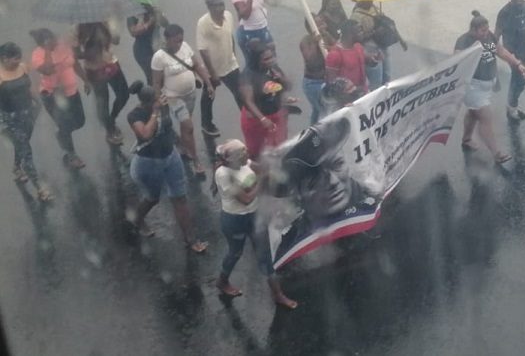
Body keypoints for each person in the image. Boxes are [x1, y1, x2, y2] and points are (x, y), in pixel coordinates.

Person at [270, 117, 379, 267]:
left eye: (337, 165)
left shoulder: (376, 202)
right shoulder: (292, 247)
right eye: (314, 181)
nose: (333, 182)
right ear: (298, 194)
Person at [213, 139, 297, 308]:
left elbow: (262, 169)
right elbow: (246, 199)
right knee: (235, 253)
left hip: (254, 216)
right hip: (235, 220)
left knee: (265, 256)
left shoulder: (245, 163)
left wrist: (272, 165)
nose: (247, 154)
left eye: (245, 150)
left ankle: (278, 295)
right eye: (242, 153)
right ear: (232, 159)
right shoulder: (223, 175)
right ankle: (222, 281)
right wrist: (262, 180)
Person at [126, 81, 207, 253]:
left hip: (170, 157)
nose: (162, 100)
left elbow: (168, 128)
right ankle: (138, 220)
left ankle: (190, 239)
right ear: (147, 102)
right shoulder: (135, 115)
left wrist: (180, 144)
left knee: (179, 198)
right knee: (152, 198)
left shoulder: (162, 107)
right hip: (148, 164)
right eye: (157, 99)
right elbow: (145, 134)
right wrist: (155, 112)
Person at [454, 10, 525, 166]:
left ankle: (466, 139)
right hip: (473, 86)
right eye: (483, 30)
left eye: (487, 29)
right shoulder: (464, 41)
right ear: (473, 30)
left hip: (487, 85)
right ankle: (497, 153)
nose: (486, 33)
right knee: (485, 117)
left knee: (473, 114)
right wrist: (471, 50)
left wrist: (517, 63)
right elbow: (456, 62)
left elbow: (500, 51)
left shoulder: (489, 36)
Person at [151, 24, 214, 178]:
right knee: (188, 126)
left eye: (181, 40)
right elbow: (156, 82)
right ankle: (196, 160)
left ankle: (184, 145)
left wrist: (208, 83)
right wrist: (159, 100)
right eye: (175, 41)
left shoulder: (185, 47)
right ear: (167, 40)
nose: (179, 44)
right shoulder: (159, 57)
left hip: (190, 94)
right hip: (174, 97)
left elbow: (197, 65)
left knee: (186, 126)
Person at [0, 42, 52, 201]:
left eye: (19, 58)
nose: (17, 61)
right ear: (4, 58)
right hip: (10, 118)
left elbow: (28, 87)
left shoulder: (22, 68)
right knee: (26, 150)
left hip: (28, 114)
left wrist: (38, 103)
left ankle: (16, 167)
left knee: (22, 144)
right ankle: (40, 188)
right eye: (14, 59)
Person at [29, 28, 86, 169]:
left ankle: (62, 133)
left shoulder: (63, 47)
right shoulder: (38, 54)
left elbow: (75, 63)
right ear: (43, 43)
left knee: (80, 121)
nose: (55, 41)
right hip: (52, 95)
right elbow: (47, 70)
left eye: (54, 38)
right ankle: (71, 155)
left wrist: (86, 80)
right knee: (65, 124)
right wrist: (48, 51)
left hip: (72, 92)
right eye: (50, 40)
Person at [239, 40, 298, 160]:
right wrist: (263, 119)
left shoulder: (274, 68)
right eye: (266, 59)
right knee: (256, 151)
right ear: (257, 60)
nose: (271, 61)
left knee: (281, 145)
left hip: (277, 114)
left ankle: (281, 169)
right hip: (256, 120)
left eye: (271, 57)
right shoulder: (247, 76)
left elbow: (288, 87)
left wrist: (281, 79)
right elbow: (248, 101)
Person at [73, 21, 129, 146]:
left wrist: (112, 30)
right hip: (94, 70)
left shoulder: (104, 22)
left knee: (124, 95)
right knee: (103, 102)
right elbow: (75, 54)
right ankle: (110, 130)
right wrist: (91, 52)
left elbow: (116, 40)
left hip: (111, 64)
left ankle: (112, 119)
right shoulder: (78, 29)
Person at [196, 0, 243, 137]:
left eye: (222, 5)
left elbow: (230, 37)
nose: (220, 8)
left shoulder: (228, 16)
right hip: (213, 69)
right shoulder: (203, 23)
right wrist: (212, 73)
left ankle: (248, 118)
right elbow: (203, 50)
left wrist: (233, 56)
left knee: (240, 93)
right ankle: (206, 124)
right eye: (216, 6)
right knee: (209, 96)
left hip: (230, 65)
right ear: (210, 8)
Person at [350, 0, 408, 84]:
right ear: (361, 0)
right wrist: (373, 33)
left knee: (387, 75)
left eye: (371, 0)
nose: (371, 2)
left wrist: (401, 40)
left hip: (383, 46)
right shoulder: (355, 16)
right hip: (370, 49)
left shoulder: (375, 9)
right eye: (368, 0)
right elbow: (356, 38)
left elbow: (389, 24)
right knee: (376, 79)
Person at [231, 0, 273, 68]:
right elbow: (245, 15)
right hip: (249, 32)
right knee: (253, 61)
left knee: (270, 54)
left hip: (263, 28)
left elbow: (264, 0)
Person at [126, 0, 168, 83]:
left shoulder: (153, 11)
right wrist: (148, 23)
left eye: (145, 4)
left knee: (164, 76)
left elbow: (166, 24)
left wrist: (160, 15)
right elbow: (133, 32)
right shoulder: (133, 15)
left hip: (157, 47)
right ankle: (153, 95)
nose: (143, 7)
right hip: (142, 51)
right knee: (153, 77)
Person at [299, 14, 334, 125]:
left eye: (322, 20)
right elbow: (311, 61)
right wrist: (315, 44)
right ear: (312, 27)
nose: (323, 23)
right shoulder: (306, 41)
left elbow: (336, 47)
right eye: (320, 23)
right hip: (313, 83)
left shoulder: (326, 35)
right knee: (324, 110)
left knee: (317, 109)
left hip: (325, 79)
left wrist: (331, 48)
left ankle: (312, 129)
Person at [325, 19, 368, 99]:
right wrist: (345, 100)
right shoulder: (335, 55)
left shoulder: (358, 47)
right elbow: (331, 82)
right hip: (347, 99)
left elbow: (362, 66)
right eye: (359, 31)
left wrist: (373, 60)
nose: (362, 33)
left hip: (362, 94)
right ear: (350, 34)